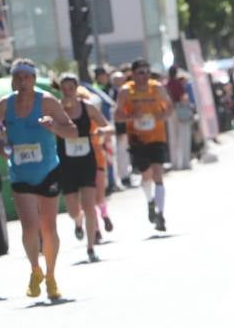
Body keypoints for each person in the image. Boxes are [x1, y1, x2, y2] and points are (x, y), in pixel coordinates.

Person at [0, 60, 78, 300]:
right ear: (12, 80)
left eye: (27, 77)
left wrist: (54, 127)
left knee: (49, 227)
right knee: (29, 226)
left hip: (48, 170)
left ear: (34, 79)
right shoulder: (4, 104)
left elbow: (72, 131)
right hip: (20, 172)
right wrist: (0, 141)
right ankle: (35, 271)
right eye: (18, 77)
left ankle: (51, 276)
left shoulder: (47, 101)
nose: (23, 81)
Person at [55, 74, 112, 262]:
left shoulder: (87, 108)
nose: (67, 92)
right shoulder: (56, 108)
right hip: (67, 163)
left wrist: (104, 131)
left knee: (89, 205)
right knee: (72, 210)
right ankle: (78, 222)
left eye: (70, 88)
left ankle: (90, 248)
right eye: (63, 89)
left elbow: (107, 125)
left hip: (87, 161)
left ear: (76, 88)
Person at [114, 59, 171, 231]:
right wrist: (131, 117)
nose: (145, 75)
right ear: (133, 74)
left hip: (157, 137)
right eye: (140, 72)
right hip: (137, 139)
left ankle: (160, 214)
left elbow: (170, 107)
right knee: (146, 175)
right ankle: (150, 201)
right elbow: (117, 116)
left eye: (147, 71)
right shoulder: (126, 92)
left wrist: (163, 116)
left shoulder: (157, 88)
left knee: (158, 174)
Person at [165, 66, 195, 171]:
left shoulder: (166, 84)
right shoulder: (178, 83)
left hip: (170, 111)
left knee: (173, 138)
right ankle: (185, 162)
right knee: (184, 136)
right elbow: (183, 97)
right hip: (180, 110)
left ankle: (175, 163)